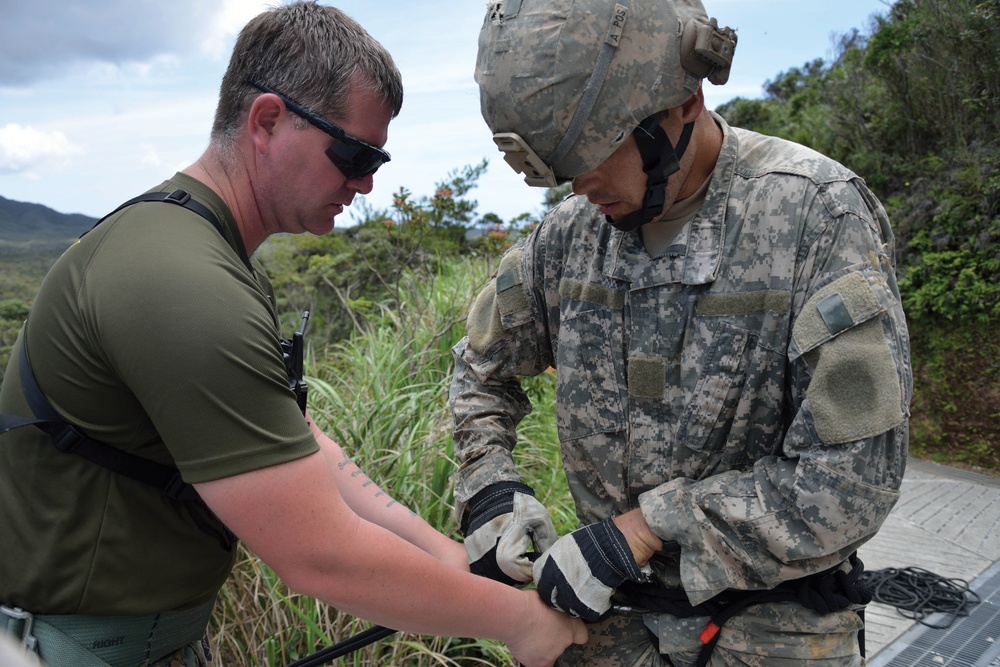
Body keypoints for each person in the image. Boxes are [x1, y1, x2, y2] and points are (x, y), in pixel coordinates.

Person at [0, 3, 587, 666]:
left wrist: (450, 558)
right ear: (268, 120)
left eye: (378, 159)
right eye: (354, 153)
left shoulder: (203, 252)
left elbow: (294, 445)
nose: (365, 182)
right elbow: (320, 555)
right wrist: (520, 622)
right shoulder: (182, 282)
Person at [451, 1, 912, 665]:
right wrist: (493, 488)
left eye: (597, 151)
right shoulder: (568, 237)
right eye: (562, 165)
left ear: (684, 104)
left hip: (775, 629)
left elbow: (855, 478)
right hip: (608, 624)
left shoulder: (815, 214)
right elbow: (479, 372)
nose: (582, 183)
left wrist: (645, 530)